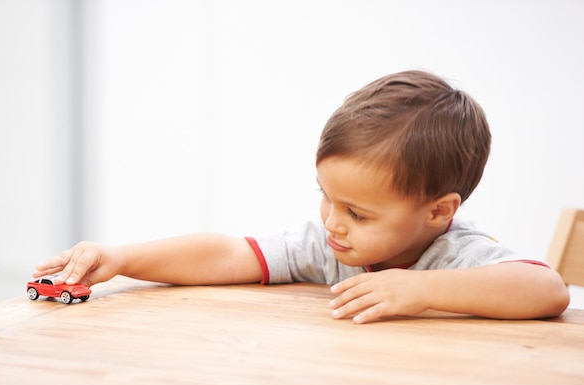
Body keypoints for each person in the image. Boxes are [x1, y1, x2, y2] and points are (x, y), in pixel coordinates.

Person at [34, 70, 570, 324]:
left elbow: (547, 289)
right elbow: (229, 254)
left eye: (357, 213)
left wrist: (419, 290)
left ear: (439, 211)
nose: (333, 222)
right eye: (327, 197)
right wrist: (124, 258)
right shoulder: (331, 245)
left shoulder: (457, 258)